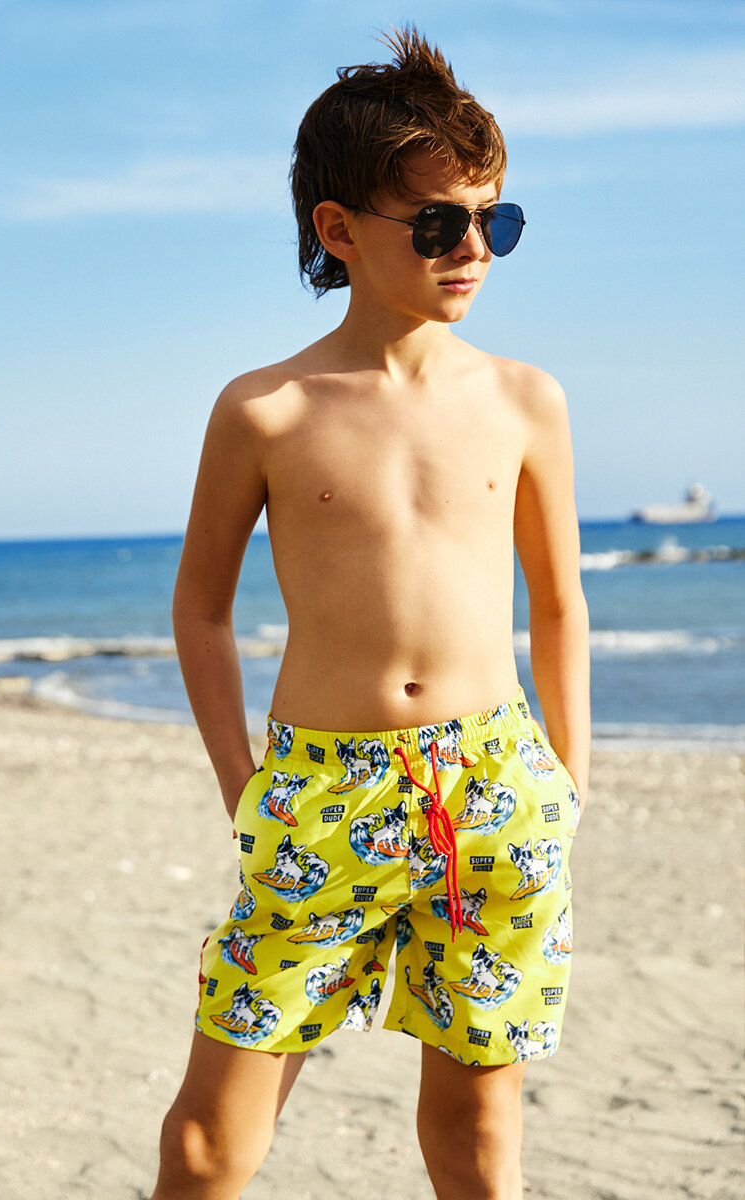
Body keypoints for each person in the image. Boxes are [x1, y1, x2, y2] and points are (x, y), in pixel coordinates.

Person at [153, 26, 589, 1200]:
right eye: (439, 224)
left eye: (495, 221)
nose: (473, 250)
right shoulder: (268, 410)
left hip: (494, 784)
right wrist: (243, 786)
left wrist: (568, 782)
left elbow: (560, 602)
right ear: (338, 230)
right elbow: (201, 609)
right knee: (207, 1143)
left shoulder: (525, 400)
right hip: (321, 788)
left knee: (476, 1140)